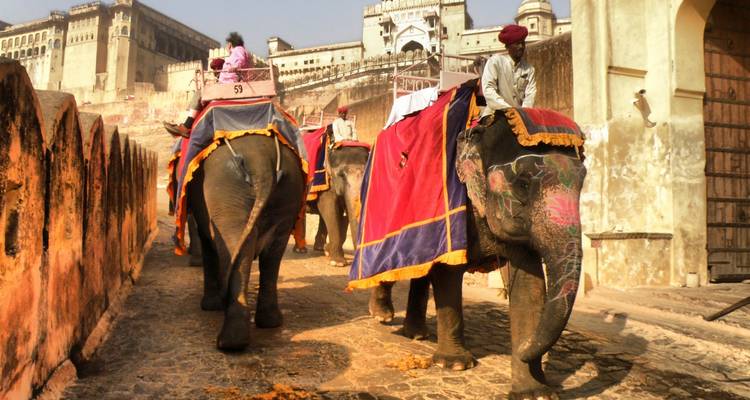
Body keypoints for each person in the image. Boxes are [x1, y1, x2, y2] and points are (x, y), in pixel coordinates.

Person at [164, 32, 251, 137]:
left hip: (228, 87)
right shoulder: (240, 52)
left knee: (200, 93)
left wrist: (236, 66)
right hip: (227, 85)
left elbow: (240, 60)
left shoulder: (238, 50)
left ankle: (186, 126)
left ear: (229, 44)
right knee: (203, 95)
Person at [480, 24, 536, 118]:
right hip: (495, 115)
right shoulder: (495, 62)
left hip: (520, 118)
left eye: (523, 43)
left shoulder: (529, 69)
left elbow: (530, 95)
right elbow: (488, 90)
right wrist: (508, 110)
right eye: (517, 43)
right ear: (507, 46)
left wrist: (522, 114)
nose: (521, 46)